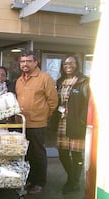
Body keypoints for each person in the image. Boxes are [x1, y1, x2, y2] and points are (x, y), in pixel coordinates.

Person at [15, 50, 58, 194]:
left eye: (28, 61)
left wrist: (44, 116)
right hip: (22, 125)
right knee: (26, 154)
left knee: (38, 154)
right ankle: (30, 179)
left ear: (35, 62)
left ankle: (40, 182)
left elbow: (53, 102)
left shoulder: (45, 78)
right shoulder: (19, 80)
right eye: (22, 61)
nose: (25, 64)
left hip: (38, 124)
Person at [55, 55, 90, 194]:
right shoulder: (60, 81)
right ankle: (72, 177)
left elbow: (88, 104)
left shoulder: (84, 81)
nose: (68, 65)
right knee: (63, 152)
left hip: (76, 122)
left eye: (71, 63)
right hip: (62, 122)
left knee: (76, 154)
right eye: (65, 64)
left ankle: (73, 182)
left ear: (77, 65)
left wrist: (82, 120)